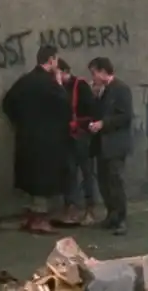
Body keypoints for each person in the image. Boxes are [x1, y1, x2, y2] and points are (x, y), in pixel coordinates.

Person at [2, 45, 72, 234]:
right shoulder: (49, 84)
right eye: (56, 60)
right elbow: (66, 107)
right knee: (43, 181)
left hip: (26, 138)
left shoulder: (25, 81)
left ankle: (29, 218)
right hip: (46, 141)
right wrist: (60, 83)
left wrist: (20, 122)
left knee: (28, 180)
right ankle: (39, 220)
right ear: (51, 60)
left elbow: (7, 103)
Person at [87, 57, 134, 236]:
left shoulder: (121, 89)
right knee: (104, 181)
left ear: (103, 71)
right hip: (102, 144)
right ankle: (111, 214)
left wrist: (103, 124)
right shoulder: (103, 91)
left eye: (94, 73)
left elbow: (125, 116)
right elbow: (98, 112)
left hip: (115, 144)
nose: (93, 78)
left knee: (115, 181)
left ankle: (121, 218)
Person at [56, 59, 97, 226]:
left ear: (65, 71)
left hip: (82, 135)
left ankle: (90, 209)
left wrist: (81, 124)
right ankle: (71, 207)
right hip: (67, 137)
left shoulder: (80, 85)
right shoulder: (58, 88)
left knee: (87, 172)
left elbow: (91, 110)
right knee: (69, 171)